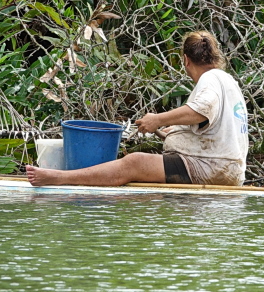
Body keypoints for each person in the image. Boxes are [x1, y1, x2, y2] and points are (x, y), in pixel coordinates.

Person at [25, 30, 249, 187]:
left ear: (186, 60)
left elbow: (200, 111)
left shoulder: (210, 79)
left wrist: (157, 120)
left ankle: (58, 177)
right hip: (228, 169)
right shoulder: (227, 81)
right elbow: (208, 126)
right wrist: (164, 131)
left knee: (135, 162)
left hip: (211, 168)